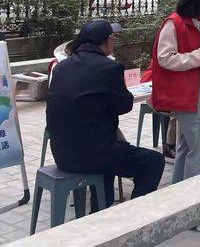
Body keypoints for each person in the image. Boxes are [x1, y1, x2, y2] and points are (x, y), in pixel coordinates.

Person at [46, 20, 165, 209]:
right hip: (93, 154)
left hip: (62, 154)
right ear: (109, 39)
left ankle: (99, 210)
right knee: (154, 161)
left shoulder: (61, 68)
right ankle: (134, 215)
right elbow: (125, 105)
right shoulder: (110, 68)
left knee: (106, 159)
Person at [150, 0, 200, 232]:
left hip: (196, 91)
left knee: (187, 147)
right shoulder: (174, 23)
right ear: (193, 1)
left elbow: (191, 57)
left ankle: (178, 201)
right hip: (185, 94)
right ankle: (196, 213)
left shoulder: (197, 23)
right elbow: (165, 58)